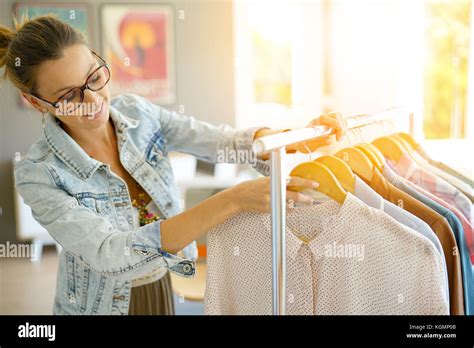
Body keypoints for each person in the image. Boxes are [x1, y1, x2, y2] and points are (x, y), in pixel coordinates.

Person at [0, 15, 346, 315]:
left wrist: (288, 138)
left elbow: (215, 141)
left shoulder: (139, 113)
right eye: (68, 96)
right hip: (98, 304)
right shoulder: (38, 173)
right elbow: (111, 254)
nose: (92, 100)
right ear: (35, 102)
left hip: (160, 282)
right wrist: (232, 199)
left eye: (94, 77)